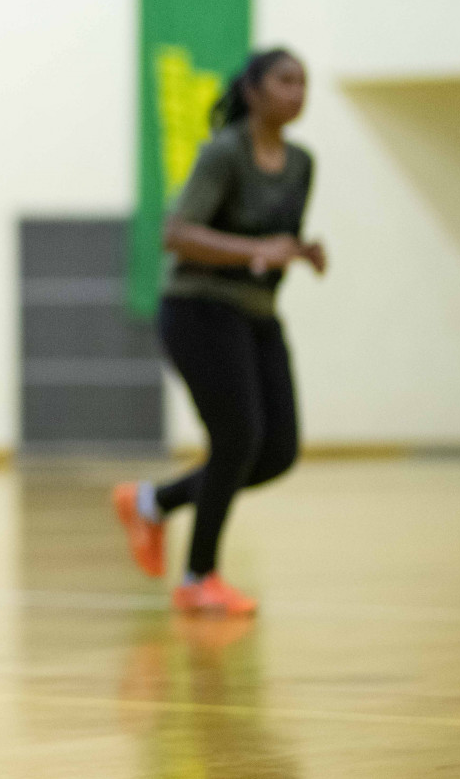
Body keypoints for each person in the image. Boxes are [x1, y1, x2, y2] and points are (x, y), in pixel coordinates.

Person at [114, 48, 323, 616]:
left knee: (276, 451)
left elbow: (273, 241)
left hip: (258, 314)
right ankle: (199, 577)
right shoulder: (224, 154)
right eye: (284, 80)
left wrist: (298, 252)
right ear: (253, 91)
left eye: (303, 82)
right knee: (237, 439)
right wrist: (258, 250)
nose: (296, 91)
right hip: (199, 309)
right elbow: (176, 233)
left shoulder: (303, 163)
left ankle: (152, 502)